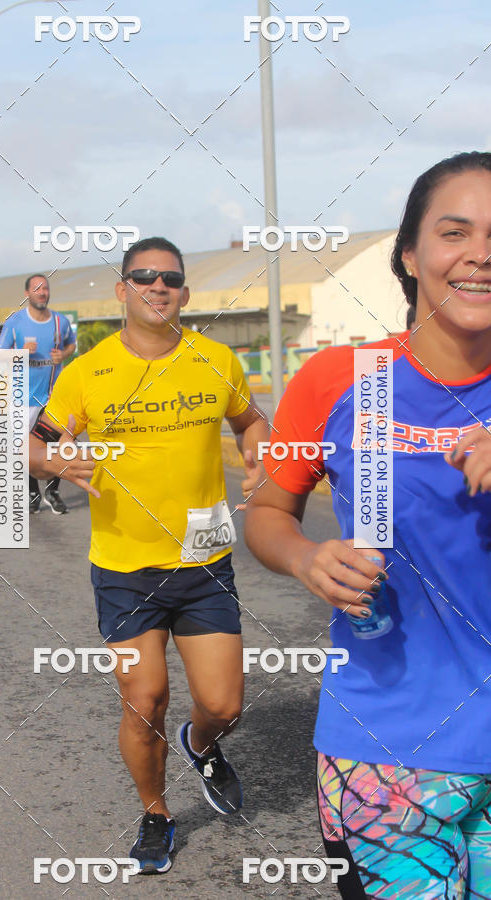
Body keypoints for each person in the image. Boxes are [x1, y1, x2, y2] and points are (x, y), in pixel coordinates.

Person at [245, 151, 491, 899]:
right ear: (411, 255)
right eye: (456, 233)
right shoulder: (340, 380)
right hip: (386, 749)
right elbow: (266, 512)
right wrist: (304, 558)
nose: (480, 255)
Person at [29, 237, 269, 875]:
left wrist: (257, 452)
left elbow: (250, 420)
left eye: (170, 279)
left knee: (223, 705)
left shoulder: (217, 360)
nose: (157, 287)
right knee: (146, 700)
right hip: (125, 569)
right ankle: (156, 812)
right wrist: (54, 458)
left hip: (204, 563)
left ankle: (200, 742)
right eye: (143, 277)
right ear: (122, 290)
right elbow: (30, 444)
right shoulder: (87, 371)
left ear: (185, 293)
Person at [0, 274, 76, 514]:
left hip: (53, 396)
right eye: (37, 289)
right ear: (27, 294)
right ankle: (32, 493)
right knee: (24, 448)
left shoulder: (60, 322)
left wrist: (63, 355)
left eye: (46, 288)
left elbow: (71, 344)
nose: (42, 292)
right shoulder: (15, 322)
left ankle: (52, 492)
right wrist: (19, 352)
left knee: (57, 445)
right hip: (23, 398)